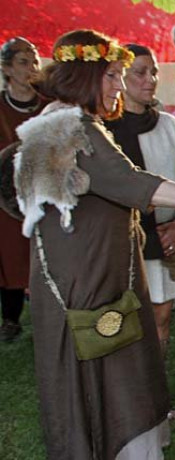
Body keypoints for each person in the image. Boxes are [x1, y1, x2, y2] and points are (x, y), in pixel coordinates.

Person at [14, 29, 175, 459]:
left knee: (98, 374)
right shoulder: (73, 127)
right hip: (90, 283)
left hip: (81, 276)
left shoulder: (50, 122)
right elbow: (130, 182)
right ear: (83, 73)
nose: (119, 86)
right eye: (111, 76)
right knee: (111, 377)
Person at [105, 44, 175, 359]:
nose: (151, 79)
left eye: (153, 71)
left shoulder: (170, 127)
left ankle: (156, 392)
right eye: (140, 72)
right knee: (121, 321)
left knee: (161, 316)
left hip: (164, 237)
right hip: (119, 242)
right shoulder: (102, 131)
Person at [0, 37, 47, 343]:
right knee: (10, 253)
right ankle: (10, 318)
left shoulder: (48, 106)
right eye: (22, 61)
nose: (31, 67)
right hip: (5, 196)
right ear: (6, 68)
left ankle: (48, 312)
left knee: (45, 252)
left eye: (34, 61)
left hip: (44, 191)